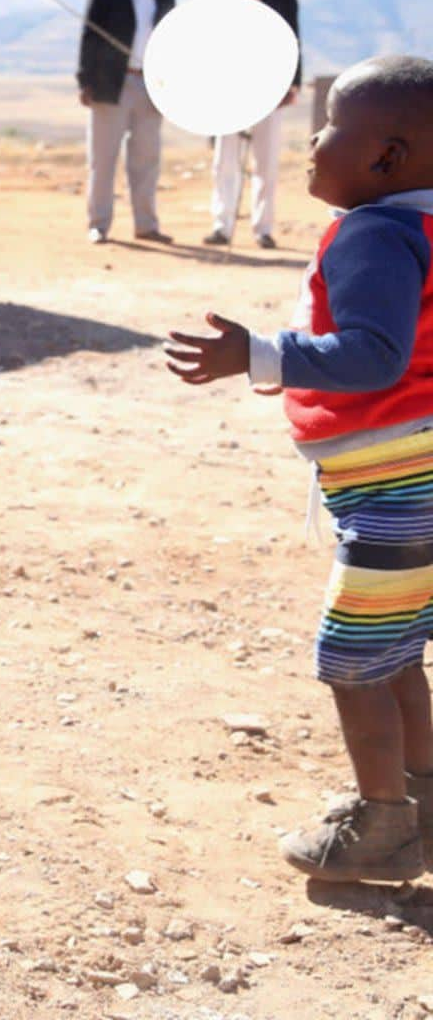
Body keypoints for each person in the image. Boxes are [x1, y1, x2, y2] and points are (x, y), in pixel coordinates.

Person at [165, 54, 433, 883]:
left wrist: (259, 353)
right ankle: (424, 801)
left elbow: (375, 355)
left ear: (385, 158)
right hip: (412, 481)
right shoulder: (419, 226)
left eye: (326, 127)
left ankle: (382, 823)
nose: (311, 141)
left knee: (353, 659)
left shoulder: (378, 234)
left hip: (399, 489)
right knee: (397, 653)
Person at [77, 0, 176, 246]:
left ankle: (146, 225)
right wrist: (85, 81)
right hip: (110, 83)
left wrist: (170, 89)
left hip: (151, 84)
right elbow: (89, 38)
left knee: (147, 159)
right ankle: (98, 224)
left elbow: (175, 43)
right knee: (103, 158)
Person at [204, 0, 301, 250]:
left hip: (269, 89)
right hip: (227, 93)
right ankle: (222, 224)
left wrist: (291, 83)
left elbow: (293, 40)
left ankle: (263, 228)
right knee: (225, 161)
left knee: (266, 162)